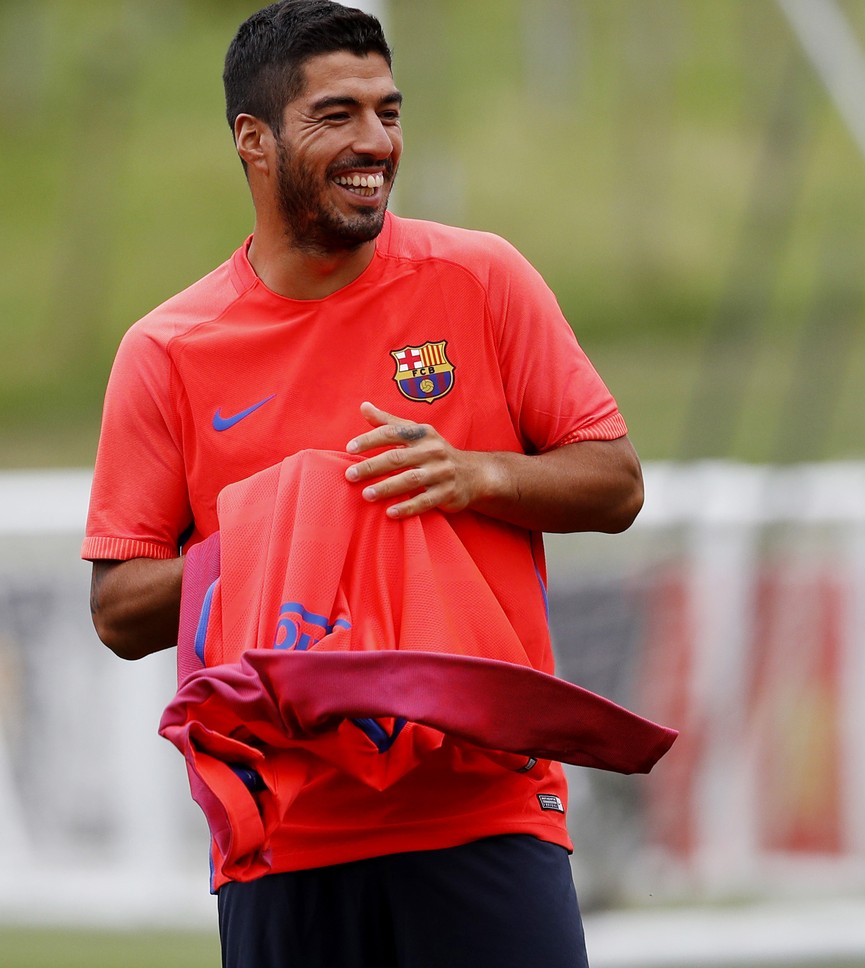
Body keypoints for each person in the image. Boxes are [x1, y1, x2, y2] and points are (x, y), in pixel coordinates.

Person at [81, 2, 644, 965]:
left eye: (389, 112)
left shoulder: (481, 278)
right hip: (284, 837)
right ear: (254, 141)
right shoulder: (166, 351)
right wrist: (277, 536)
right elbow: (120, 607)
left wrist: (474, 475)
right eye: (337, 115)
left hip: (488, 808)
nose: (375, 143)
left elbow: (617, 483)